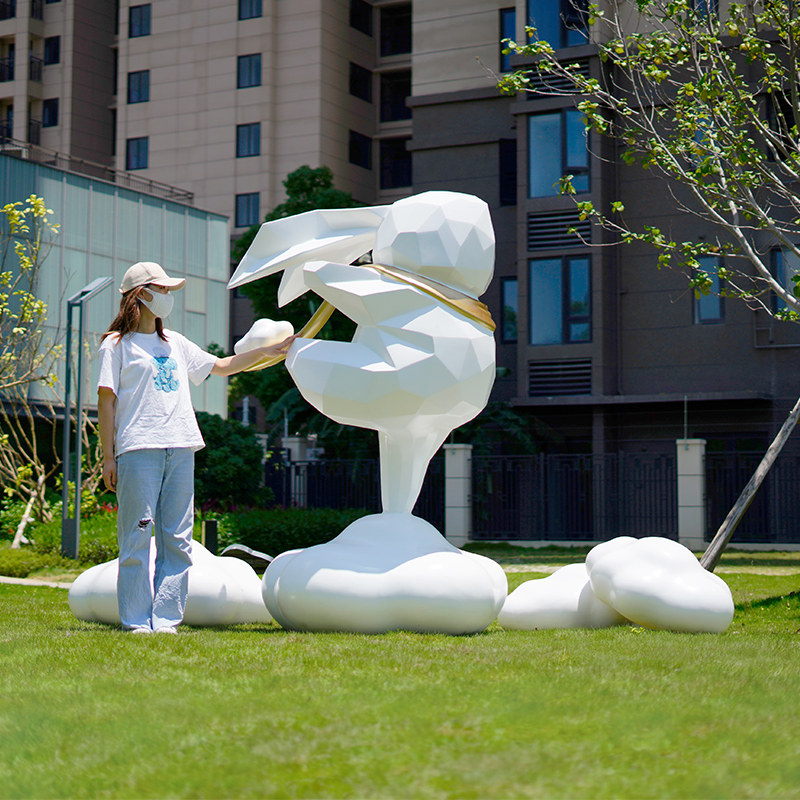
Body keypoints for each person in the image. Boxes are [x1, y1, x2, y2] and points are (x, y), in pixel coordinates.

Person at [97, 261, 293, 633]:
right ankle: (136, 621)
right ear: (141, 295)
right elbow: (106, 402)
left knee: (177, 539)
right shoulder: (116, 346)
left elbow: (223, 365)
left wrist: (272, 351)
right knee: (137, 536)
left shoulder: (176, 343)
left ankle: (166, 620)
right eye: (163, 290)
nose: (168, 297)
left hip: (181, 447)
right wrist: (108, 456)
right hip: (138, 449)